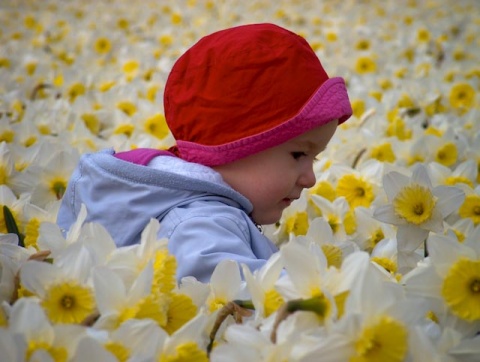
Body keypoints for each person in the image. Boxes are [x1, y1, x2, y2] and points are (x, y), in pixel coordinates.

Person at [57, 23, 352, 283]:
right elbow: (243, 300)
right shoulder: (200, 224)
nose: (311, 179)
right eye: (299, 154)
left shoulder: (185, 202)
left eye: (314, 158)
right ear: (233, 146)